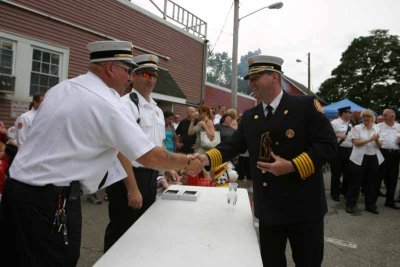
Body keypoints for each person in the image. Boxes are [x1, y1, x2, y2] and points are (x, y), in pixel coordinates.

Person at [0, 41, 202, 267]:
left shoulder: (62, 88)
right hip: (48, 199)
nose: (128, 77)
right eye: (126, 70)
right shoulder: (107, 103)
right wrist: (187, 161)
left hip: (15, 190)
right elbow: (149, 156)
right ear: (109, 68)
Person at [199, 55, 337, 267]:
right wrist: (204, 159)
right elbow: (232, 146)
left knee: (308, 262)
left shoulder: (305, 105)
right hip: (270, 208)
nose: (250, 83)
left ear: (274, 76)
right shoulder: (251, 116)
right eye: (249, 78)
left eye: (255, 77)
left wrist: (292, 166)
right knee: (271, 262)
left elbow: (327, 145)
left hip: (304, 206)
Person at [104, 54, 182, 252]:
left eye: (154, 75)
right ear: (133, 76)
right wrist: (132, 188)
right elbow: (119, 150)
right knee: (122, 230)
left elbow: (158, 145)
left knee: (143, 229)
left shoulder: (157, 110)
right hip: (127, 177)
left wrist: (168, 168)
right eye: (146, 74)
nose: (151, 79)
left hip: (150, 176)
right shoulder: (125, 105)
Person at [346, 109, 383, 214]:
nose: (366, 119)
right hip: (358, 158)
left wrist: (376, 140)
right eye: (364, 117)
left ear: (372, 118)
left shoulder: (377, 128)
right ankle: (350, 204)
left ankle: (370, 205)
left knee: (372, 183)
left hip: (373, 158)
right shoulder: (357, 128)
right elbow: (356, 143)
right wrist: (371, 139)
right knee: (355, 183)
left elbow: (380, 145)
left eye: (368, 116)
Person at [377, 108, 400, 209]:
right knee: (377, 177)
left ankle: (389, 201)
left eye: (385, 115)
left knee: (393, 179)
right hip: (382, 153)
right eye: (383, 115)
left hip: (395, 155)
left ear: (393, 116)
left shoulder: (399, 127)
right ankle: (371, 202)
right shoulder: (378, 127)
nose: (382, 116)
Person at [329, 106, 353, 201]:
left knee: (347, 173)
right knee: (336, 173)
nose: (350, 114)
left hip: (349, 151)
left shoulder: (350, 124)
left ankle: (344, 191)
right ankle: (334, 193)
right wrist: (338, 135)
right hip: (338, 150)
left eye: (350, 113)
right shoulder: (334, 123)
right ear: (343, 113)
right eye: (348, 113)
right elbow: (328, 135)